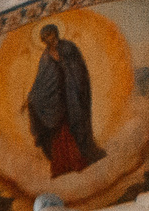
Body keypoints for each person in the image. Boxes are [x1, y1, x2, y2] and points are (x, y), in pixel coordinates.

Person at [28, 23, 104, 177]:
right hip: (56, 99)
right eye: (45, 36)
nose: (48, 38)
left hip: (72, 94)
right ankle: (62, 165)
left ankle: (79, 160)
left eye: (50, 34)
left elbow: (78, 68)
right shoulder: (45, 56)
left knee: (75, 125)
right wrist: (32, 96)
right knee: (58, 130)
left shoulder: (68, 47)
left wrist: (68, 74)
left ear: (55, 33)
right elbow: (41, 80)